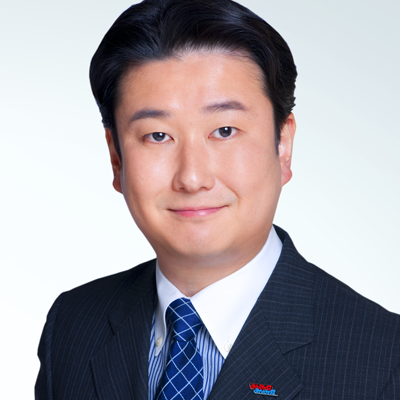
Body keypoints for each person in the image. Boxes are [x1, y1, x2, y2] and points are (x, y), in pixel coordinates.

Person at [35, 0, 400, 399]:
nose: (192, 178)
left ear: (283, 144)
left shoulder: (384, 359)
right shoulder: (72, 325)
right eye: (158, 136)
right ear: (116, 157)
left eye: (224, 130)